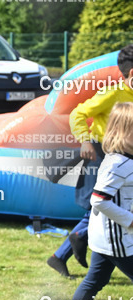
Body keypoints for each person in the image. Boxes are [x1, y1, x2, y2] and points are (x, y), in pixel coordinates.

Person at [48, 44, 133, 279]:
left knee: (106, 206)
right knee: (101, 204)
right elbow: (78, 113)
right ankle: (72, 247)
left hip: (123, 154)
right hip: (101, 152)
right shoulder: (112, 93)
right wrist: (84, 141)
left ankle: (61, 255)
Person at [54, 102, 133, 300]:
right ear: (126, 132)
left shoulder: (120, 159)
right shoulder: (120, 163)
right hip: (117, 237)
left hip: (106, 237)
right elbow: (98, 199)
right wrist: (130, 220)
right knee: (93, 281)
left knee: (94, 280)